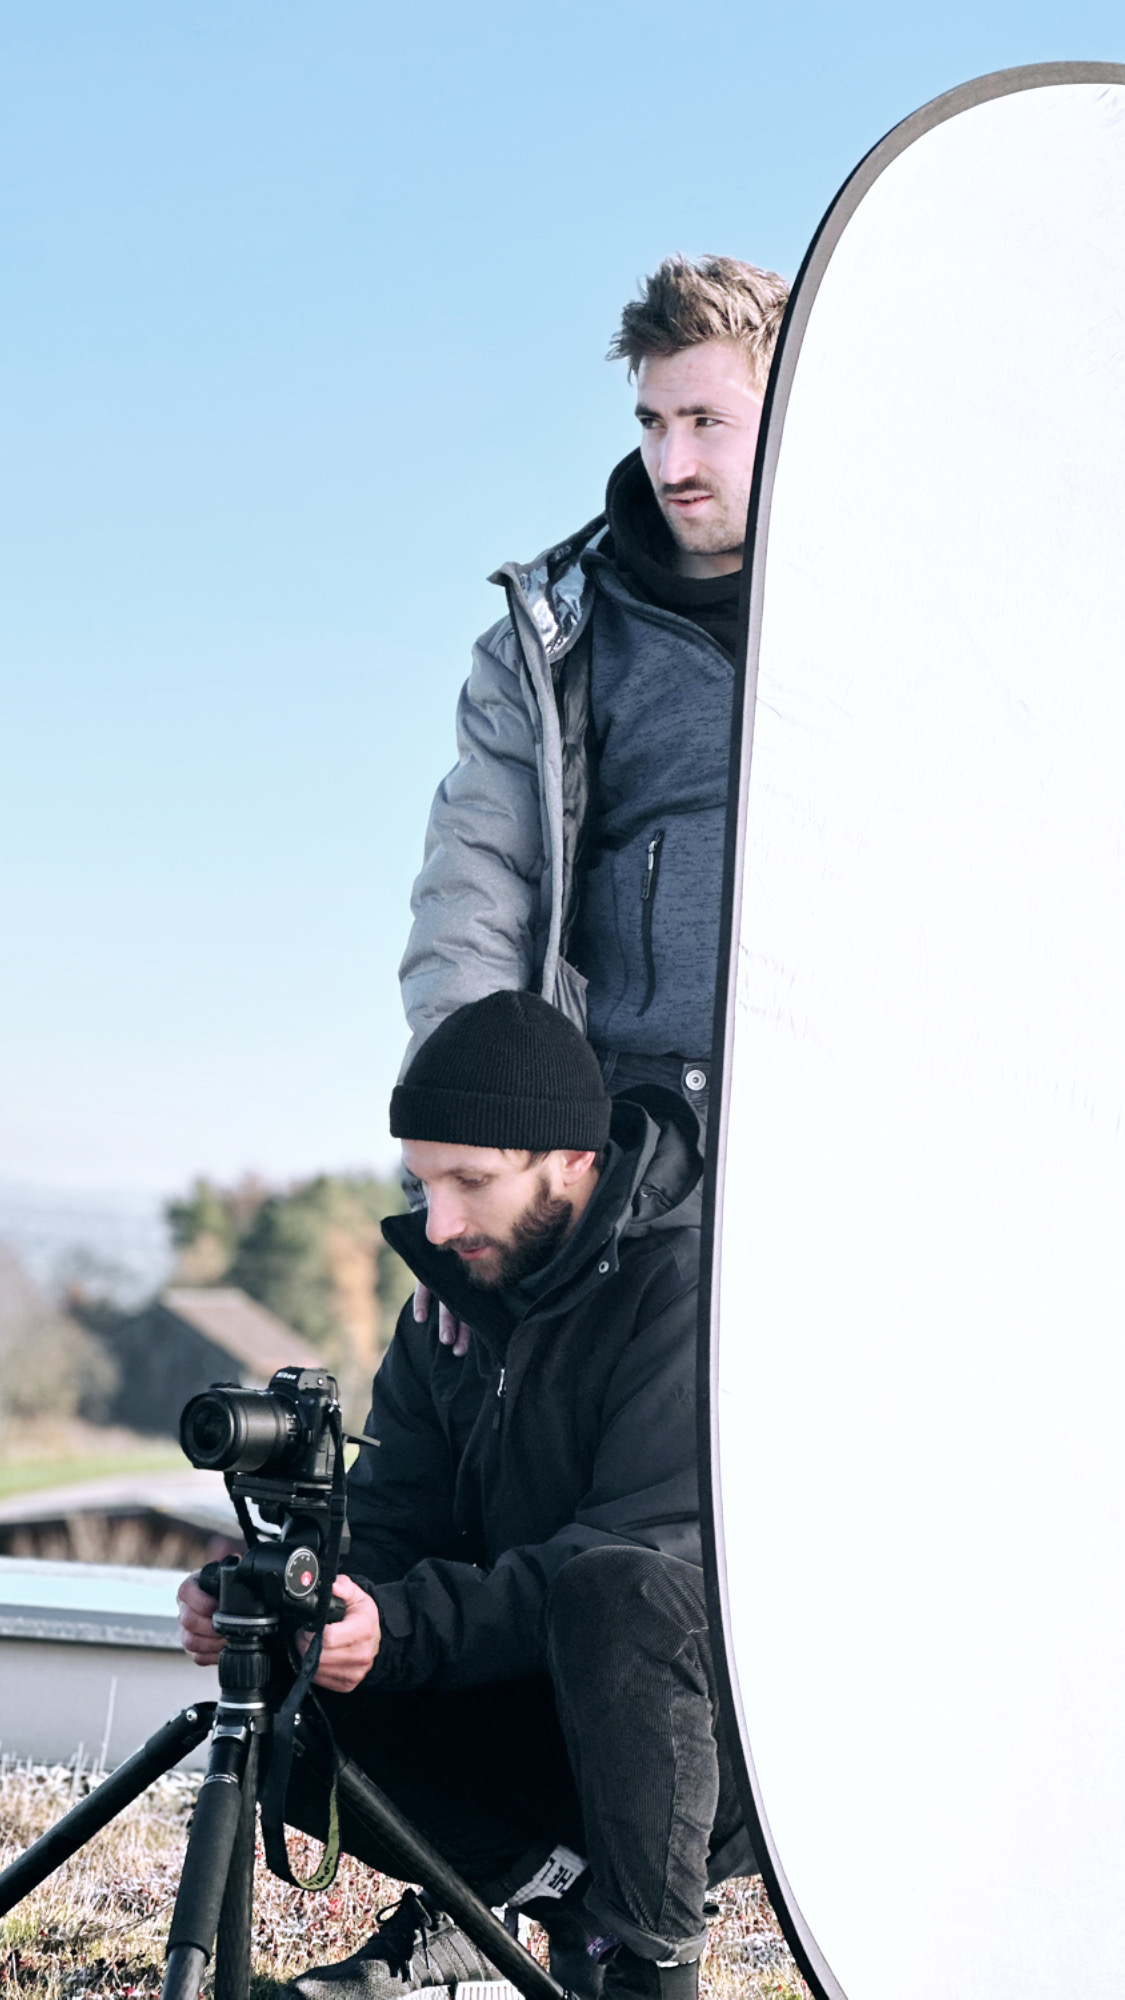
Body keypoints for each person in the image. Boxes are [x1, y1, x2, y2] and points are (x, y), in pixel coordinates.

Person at [178, 990, 755, 2000]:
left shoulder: (690, 1290)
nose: (437, 1223)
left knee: (616, 1592)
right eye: (422, 1180)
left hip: (700, 1741)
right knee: (282, 1665)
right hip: (530, 1705)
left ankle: (650, 1972)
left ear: (571, 1159)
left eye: (470, 1182)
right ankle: (534, 1902)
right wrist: (298, 1595)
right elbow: (391, 1515)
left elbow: (632, 1562)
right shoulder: (450, 1300)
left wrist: (400, 1628)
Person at [400, 254, 790, 1149]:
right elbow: (474, 895)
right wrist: (468, 1144)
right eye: (653, 422)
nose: (671, 461)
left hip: (844, 1112)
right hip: (628, 1131)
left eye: (706, 421)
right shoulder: (552, 642)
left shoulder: (895, 613)